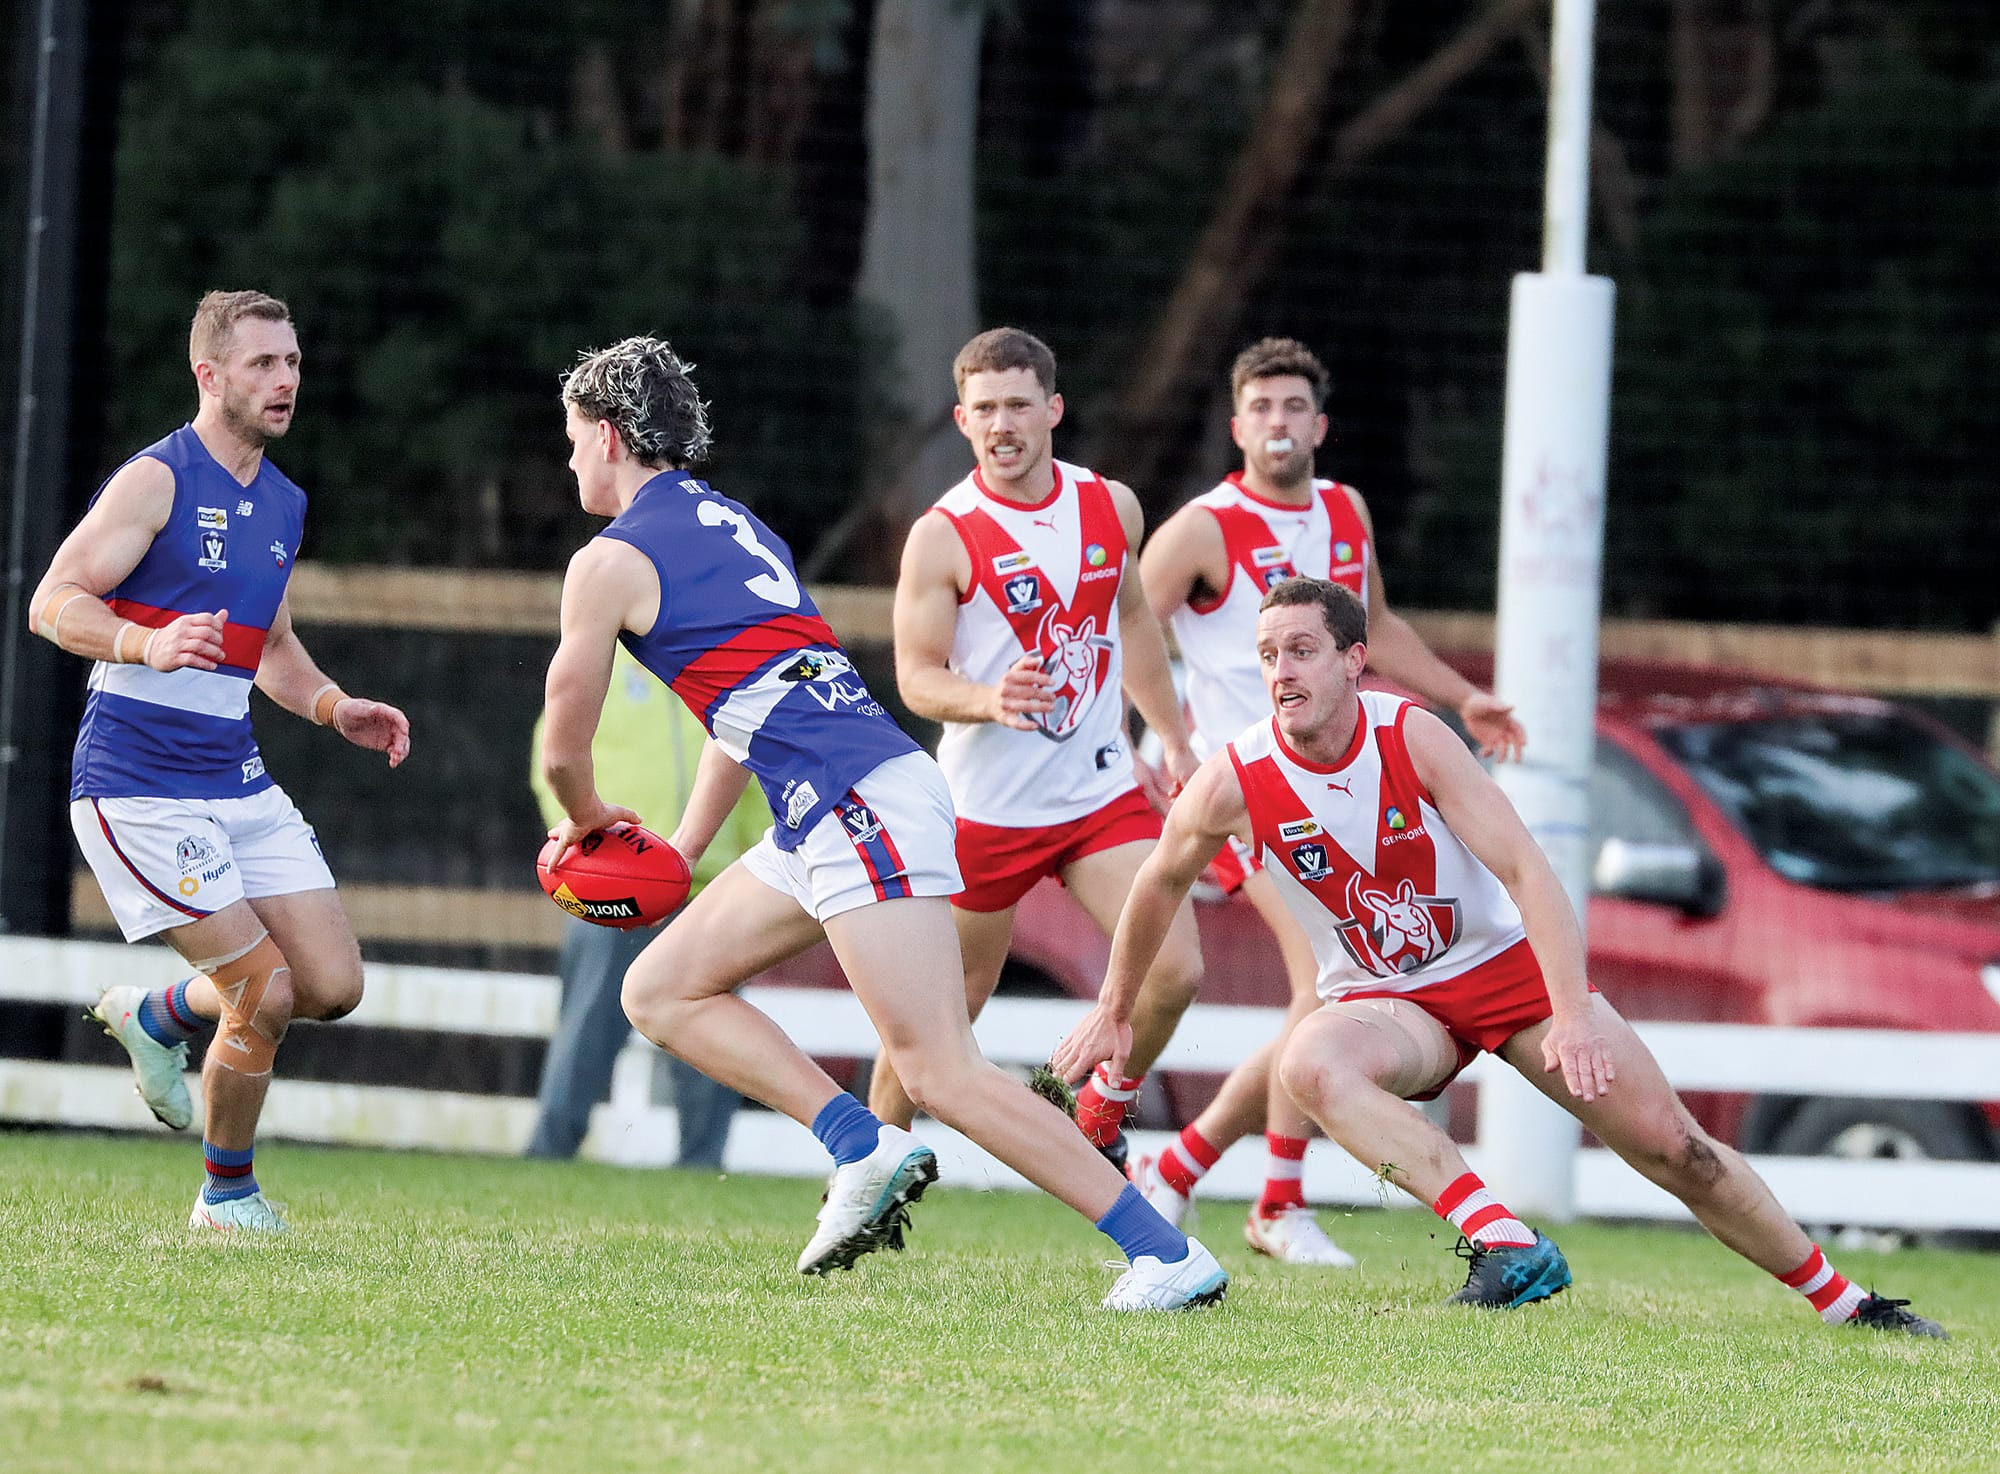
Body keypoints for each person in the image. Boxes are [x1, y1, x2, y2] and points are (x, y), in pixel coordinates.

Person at [1054, 577, 1944, 1336]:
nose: (1281, 672)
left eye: (1302, 650)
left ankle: (1850, 1305)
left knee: (1679, 1153)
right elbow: (1156, 886)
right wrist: (1116, 1009)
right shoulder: (1232, 777)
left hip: (1506, 972)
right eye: (1268, 654)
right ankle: (1503, 1242)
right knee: (1311, 1060)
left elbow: (1525, 868)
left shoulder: (1412, 734)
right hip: (1388, 998)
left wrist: (1572, 1011)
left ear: (1353, 660)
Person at [540, 334, 1225, 1309]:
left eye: (571, 441)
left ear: (607, 436)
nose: (568, 462)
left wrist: (587, 820)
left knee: (938, 1066)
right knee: (660, 988)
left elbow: (566, 752)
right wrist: (685, 846)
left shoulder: (606, 563)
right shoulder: (728, 523)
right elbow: (748, 715)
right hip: (827, 799)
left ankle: (1163, 1253)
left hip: (854, 798)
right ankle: (859, 1145)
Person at [1133, 336, 1527, 1265]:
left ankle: (1183, 1169)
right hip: (1240, 789)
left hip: (1331, 792)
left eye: (1293, 407)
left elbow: (1376, 627)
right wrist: (1157, 743)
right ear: (1237, 427)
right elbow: (1125, 627)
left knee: (1330, 991)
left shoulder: (1346, 512)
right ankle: (1275, 1200)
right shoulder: (1201, 527)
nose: (1278, 422)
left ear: (1320, 424)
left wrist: (1461, 695)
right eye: (1260, 408)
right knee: (1327, 987)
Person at [33, 289, 411, 1232]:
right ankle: (226, 1196)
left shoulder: (282, 500)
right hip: (137, 786)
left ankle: (160, 1014)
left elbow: (271, 645)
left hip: (233, 777)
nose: (284, 382)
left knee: (331, 985)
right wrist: (143, 644)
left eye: (291, 363)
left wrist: (333, 706)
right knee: (265, 991)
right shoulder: (156, 481)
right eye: (262, 365)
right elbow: (53, 601)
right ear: (210, 376)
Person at [867, 326, 1204, 1172]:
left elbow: (1130, 619)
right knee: (943, 1012)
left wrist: (1169, 736)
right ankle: (872, 1170)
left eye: (1018, 404)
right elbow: (915, 677)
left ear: (1053, 409)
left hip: (1096, 796)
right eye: (984, 409)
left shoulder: (1110, 507)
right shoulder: (944, 535)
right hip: (985, 811)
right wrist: (989, 699)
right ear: (961, 419)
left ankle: (1097, 1107)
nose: (1002, 424)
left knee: (1176, 973)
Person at [525, 643, 766, 1164]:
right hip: (611, 888)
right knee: (586, 1030)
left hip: (707, 891)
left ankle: (703, 1168)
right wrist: (587, 853)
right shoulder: (596, 668)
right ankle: (548, 1154)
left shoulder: (713, 671)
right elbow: (553, 757)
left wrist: (747, 863)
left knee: (713, 1037)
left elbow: (750, 777)